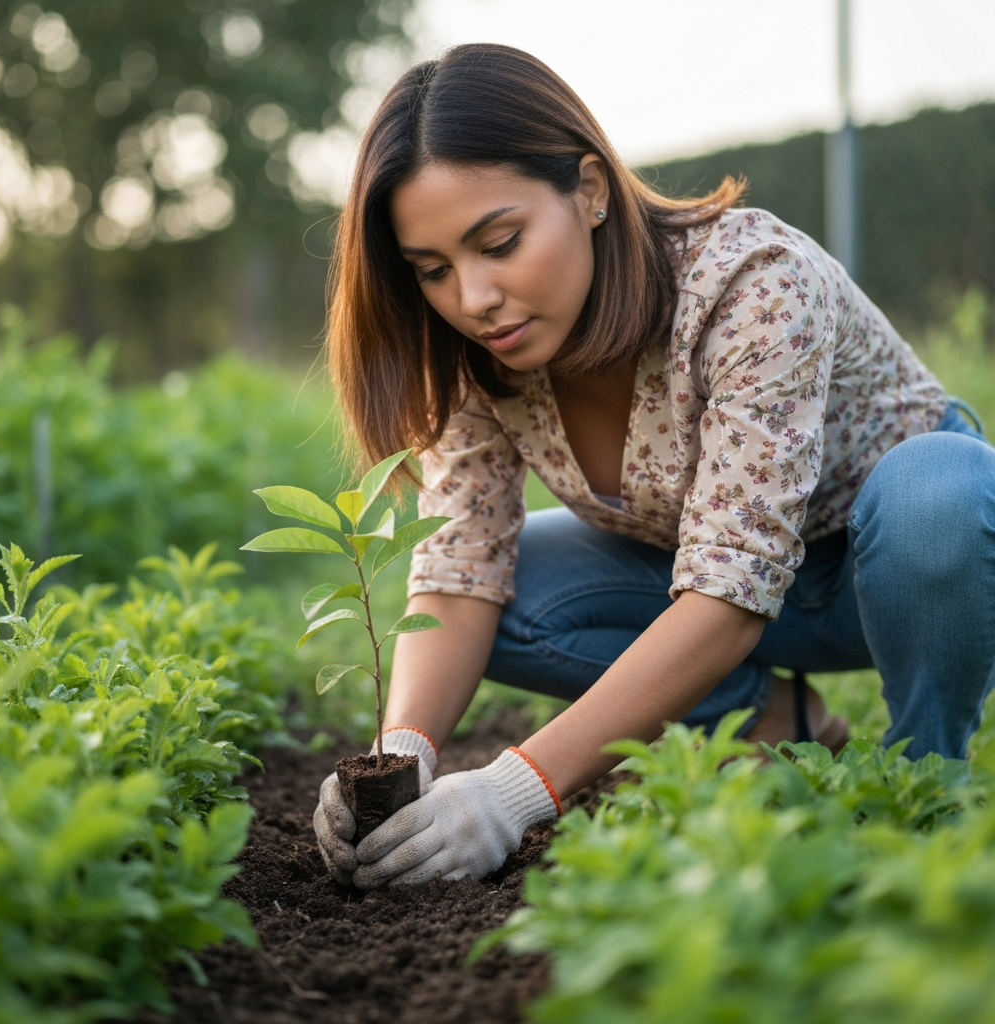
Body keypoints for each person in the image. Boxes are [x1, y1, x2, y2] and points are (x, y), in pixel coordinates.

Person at [312, 44, 995, 889]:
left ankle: (926, 776)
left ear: (590, 190)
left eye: (500, 242)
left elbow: (730, 591)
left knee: (941, 491)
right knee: (512, 599)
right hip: (714, 594)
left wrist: (511, 793)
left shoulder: (749, 283)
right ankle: (778, 723)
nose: (473, 297)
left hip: (894, 575)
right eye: (433, 271)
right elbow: (458, 572)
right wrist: (400, 751)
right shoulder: (477, 353)